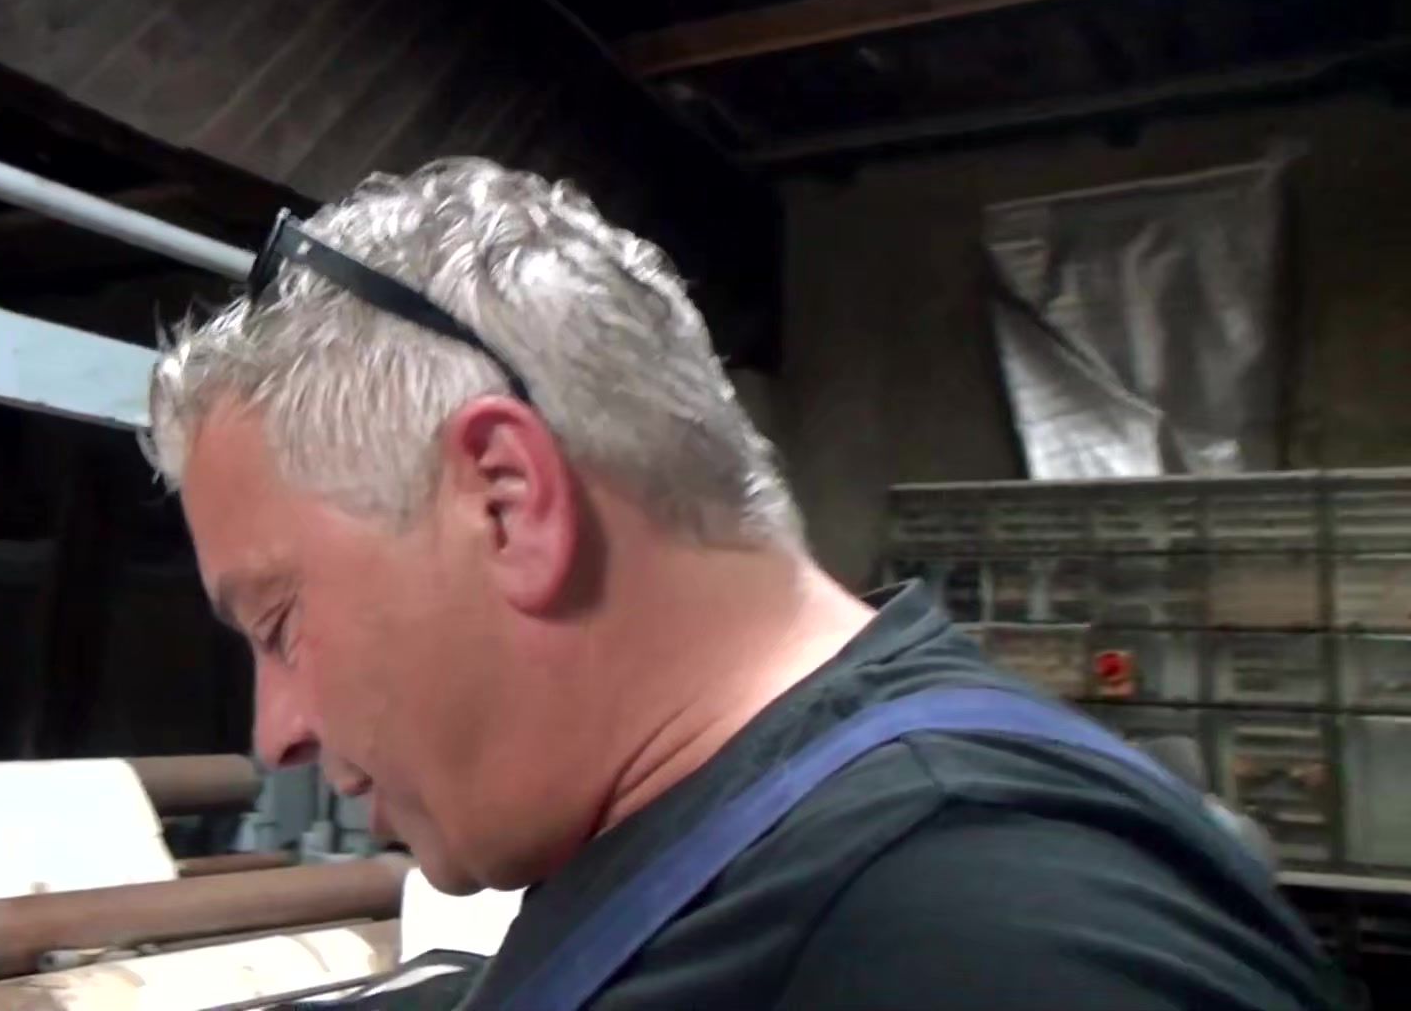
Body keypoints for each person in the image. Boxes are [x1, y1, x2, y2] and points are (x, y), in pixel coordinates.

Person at [142, 157, 1343, 1010]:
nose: (277, 732)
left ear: (505, 504)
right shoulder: (752, 847)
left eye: (280, 622)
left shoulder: (982, 931)